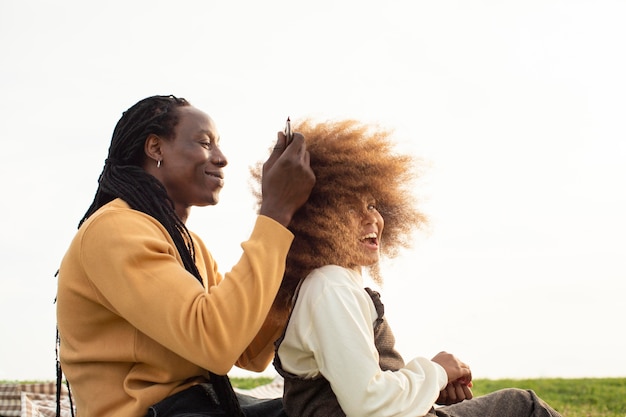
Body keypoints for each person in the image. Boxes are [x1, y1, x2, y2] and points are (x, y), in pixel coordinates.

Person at [251, 119, 562, 417]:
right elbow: (368, 403)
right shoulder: (330, 285)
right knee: (523, 406)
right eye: (350, 207)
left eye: (372, 205)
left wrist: (429, 388)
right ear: (317, 219)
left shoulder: (331, 284)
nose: (371, 218)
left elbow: (365, 387)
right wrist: (437, 370)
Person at [55, 95, 315, 417]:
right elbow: (215, 341)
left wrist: (296, 233)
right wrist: (275, 212)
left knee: (328, 405)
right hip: (153, 412)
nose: (221, 158)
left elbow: (248, 348)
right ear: (156, 149)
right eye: (205, 143)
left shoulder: (190, 246)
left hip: (199, 406)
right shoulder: (114, 230)